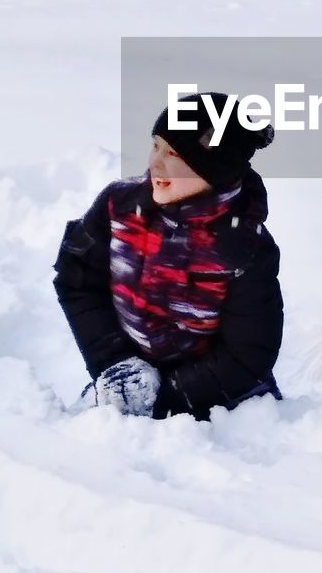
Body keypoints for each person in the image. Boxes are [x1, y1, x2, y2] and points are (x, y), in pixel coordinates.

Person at [53, 91, 284, 421]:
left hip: (222, 400)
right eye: (156, 145)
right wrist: (117, 365)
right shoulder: (118, 207)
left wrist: (167, 397)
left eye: (174, 153)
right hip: (130, 383)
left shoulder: (243, 247)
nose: (155, 162)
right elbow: (77, 281)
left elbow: (247, 354)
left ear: (213, 168)